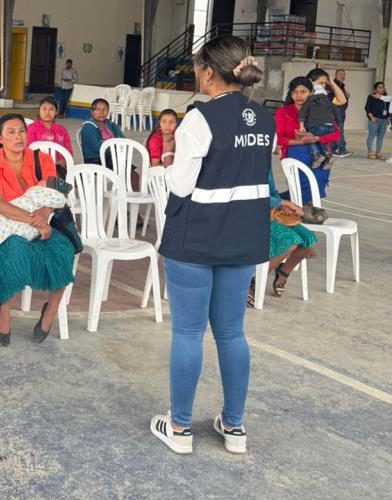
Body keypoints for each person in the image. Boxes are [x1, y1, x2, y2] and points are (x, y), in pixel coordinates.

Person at [149, 36, 272, 455]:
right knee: (231, 333)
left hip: (196, 237)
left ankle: (180, 428)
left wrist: (167, 163)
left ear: (207, 73)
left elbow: (183, 185)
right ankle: (234, 427)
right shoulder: (265, 118)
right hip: (243, 238)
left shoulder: (199, 119)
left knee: (187, 331)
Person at [0, 114, 76, 347]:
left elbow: (54, 195)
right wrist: (35, 222)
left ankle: (50, 311)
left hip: (42, 218)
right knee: (13, 248)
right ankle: (4, 307)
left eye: (21, 131)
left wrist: (44, 216)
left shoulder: (41, 159)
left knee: (63, 248)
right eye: (11, 132)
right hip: (9, 221)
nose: (18, 136)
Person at [248, 169, 317, 307]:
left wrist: (281, 206)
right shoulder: (247, 157)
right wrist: (279, 203)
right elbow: (248, 193)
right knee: (289, 241)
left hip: (270, 211)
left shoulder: (264, 158)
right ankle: (254, 283)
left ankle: (283, 272)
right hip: (250, 212)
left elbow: (271, 189)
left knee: (308, 239)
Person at [275, 77, 340, 204]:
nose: (299, 96)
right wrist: (300, 141)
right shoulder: (283, 112)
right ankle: (305, 206)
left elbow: (335, 134)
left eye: (303, 92)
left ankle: (308, 206)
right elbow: (279, 139)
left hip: (320, 155)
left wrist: (317, 138)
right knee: (301, 193)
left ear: (311, 93)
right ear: (291, 94)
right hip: (295, 155)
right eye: (295, 92)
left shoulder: (321, 110)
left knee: (315, 187)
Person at [298, 78, 338, 167]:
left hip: (318, 125)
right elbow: (335, 111)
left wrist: (301, 126)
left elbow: (302, 113)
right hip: (330, 126)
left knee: (309, 137)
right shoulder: (328, 102)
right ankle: (328, 154)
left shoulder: (310, 100)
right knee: (321, 139)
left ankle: (316, 154)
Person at [26, 96, 73, 168]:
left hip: (59, 167)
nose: (47, 112)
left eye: (51, 109)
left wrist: (64, 160)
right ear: (39, 111)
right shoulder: (31, 128)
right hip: (37, 167)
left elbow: (68, 151)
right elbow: (28, 151)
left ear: (56, 112)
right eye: (44, 109)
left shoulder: (62, 130)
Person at [79, 98, 125, 165]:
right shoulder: (89, 127)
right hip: (95, 160)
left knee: (132, 174)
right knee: (128, 174)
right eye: (98, 109)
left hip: (110, 157)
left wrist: (106, 143)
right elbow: (99, 148)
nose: (101, 112)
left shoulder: (110, 124)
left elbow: (123, 140)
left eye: (105, 109)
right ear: (92, 112)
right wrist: (115, 143)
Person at [365, 81, 390, 160]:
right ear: (375, 89)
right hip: (375, 119)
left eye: (383, 87)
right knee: (371, 136)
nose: (382, 89)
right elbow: (367, 108)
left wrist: (388, 119)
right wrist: (371, 117)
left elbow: (389, 110)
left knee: (380, 137)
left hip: (384, 120)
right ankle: (370, 152)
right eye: (380, 87)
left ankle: (378, 152)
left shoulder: (387, 97)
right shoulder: (371, 96)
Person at [332, 69, 352, 157]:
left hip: (340, 111)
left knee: (336, 130)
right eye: (340, 74)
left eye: (344, 75)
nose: (342, 76)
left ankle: (333, 149)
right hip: (337, 110)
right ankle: (341, 149)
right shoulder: (334, 85)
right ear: (335, 75)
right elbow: (333, 99)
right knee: (339, 130)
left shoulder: (341, 86)